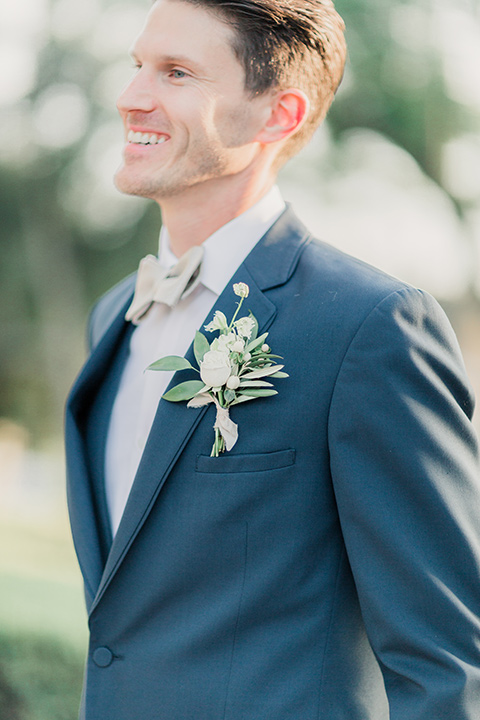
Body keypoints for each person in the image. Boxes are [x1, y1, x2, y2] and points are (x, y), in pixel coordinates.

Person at [65, 0, 480, 718]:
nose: (132, 96)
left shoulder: (369, 326)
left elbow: (447, 662)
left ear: (278, 116)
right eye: (139, 66)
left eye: (177, 72)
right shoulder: (114, 315)